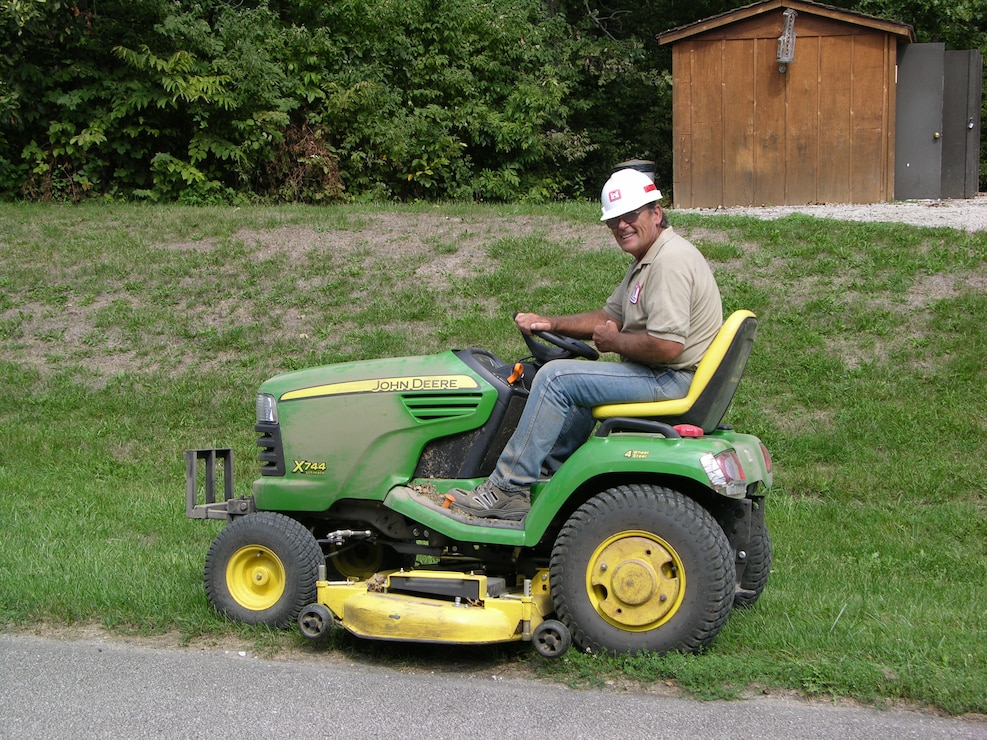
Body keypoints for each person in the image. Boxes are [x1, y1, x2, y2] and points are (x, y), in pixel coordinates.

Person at [447, 168, 723, 520]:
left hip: (672, 378)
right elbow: (608, 315)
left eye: (630, 216)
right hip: (667, 375)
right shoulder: (650, 259)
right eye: (613, 221)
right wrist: (550, 323)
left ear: (656, 212)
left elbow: (668, 347)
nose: (621, 226)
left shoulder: (669, 262)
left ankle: (507, 488)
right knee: (574, 380)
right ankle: (553, 476)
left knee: (556, 378)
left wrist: (615, 342)